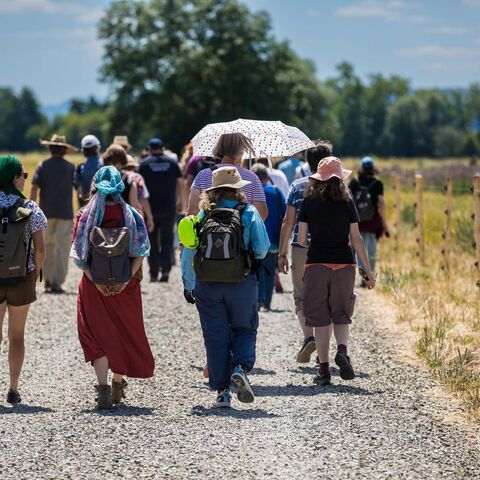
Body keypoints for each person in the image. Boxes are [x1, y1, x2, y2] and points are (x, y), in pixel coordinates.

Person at [180, 167, 270, 408]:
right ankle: (240, 367)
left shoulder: (202, 216)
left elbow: (189, 251)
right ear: (238, 190)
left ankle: (221, 392)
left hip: (207, 284)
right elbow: (262, 248)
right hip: (242, 281)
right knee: (245, 328)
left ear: (213, 192)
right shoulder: (248, 211)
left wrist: (189, 283)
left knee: (215, 335)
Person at [71, 166, 154, 410]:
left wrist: (95, 280)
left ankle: (103, 388)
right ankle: (118, 383)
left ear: (94, 185)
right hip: (125, 286)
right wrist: (126, 279)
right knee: (123, 332)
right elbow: (141, 251)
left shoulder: (85, 215)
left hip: (93, 285)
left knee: (95, 334)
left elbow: (79, 255)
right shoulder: (131, 214)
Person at [297, 157, 375, 386]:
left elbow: (301, 239)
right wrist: (368, 271)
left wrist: (313, 244)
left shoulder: (308, 203)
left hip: (316, 265)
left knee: (320, 318)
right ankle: (342, 351)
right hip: (344, 266)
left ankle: (323, 370)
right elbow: (357, 240)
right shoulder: (347, 203)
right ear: (340, 179)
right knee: (341, 314)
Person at [277, 140, 333, 363]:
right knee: (326, 299)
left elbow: (288, 222)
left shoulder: (298, 186)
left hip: (300, 248)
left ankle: (309, 337)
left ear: (308, 162)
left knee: (301, 296)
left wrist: (281, 253)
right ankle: (323, 353)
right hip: (330, 249)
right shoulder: (338, 186)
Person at [0, 155, 47, 404]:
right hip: (21, 277)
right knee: (16, 335)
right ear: (14, 178)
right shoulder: (30, 207)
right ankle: (13, 389)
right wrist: (34, 274)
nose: (25, 180)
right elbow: (40, 249)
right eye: (23, 175)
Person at [31, 134, 76, 294]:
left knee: (46, 246)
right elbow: (78, 190)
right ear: (64, 150)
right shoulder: (71, 167)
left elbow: (35, 187)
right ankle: (57, 282)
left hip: (45, 213)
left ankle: (48, 279)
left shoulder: (43, 165)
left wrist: (30, 208)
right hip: (65, 212)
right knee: (62, 248)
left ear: (50, 148)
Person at [186, 133, 268, 221]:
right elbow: (261, 213)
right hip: (242, 233)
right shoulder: (252, 178)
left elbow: (192, 212)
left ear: (219, 147)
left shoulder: (203, 175)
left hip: (208, 232)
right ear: (242, 149)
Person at [139, 138, 184, 283]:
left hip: (150, 209)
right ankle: (165, 270)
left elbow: (140, 186)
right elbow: (180, 182)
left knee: (151, 241)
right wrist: (181, 202)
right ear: (162, 148)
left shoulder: (144, 164)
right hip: (168, 207)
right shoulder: (172, 162)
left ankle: (153, 272)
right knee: (167, 240)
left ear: (150, 148)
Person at [251, 163, 286, 311]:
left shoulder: (251, 193)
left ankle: (259, 299)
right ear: (267, 176)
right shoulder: (276, 192)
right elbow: (285, 215)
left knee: (256, 270)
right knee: (270, 271)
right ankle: (268, 302)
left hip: (255, 239)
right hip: (273, 240)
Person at [348, 156, 389, 283]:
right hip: (373, 220)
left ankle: (362, 275)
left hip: (357, 219)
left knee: (358, 246)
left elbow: (348, 200)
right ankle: (369, 275)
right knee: (371, 246)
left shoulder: (354, 182)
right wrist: (384, 223)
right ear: (373, 168)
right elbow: (381, 204)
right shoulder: (378, 183)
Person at [102, 145, 143, 213]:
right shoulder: (129, 180)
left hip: (103, 221)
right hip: (123, 221)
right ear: (123, 160)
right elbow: (135, 205)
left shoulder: (98, 177)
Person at [124, 154, 154, 233]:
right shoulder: (137, 177)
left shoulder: (117, 176)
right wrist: (149, 217)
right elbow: (143, 198)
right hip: (134, 215)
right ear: (133, 166)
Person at [75, 135, 103, 209]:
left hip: (86, 208)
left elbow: (78, 194)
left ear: (84, 151)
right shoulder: (105, 164)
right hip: (102, 206)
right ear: (97, 148)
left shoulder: (80, 168)